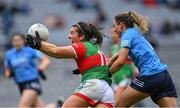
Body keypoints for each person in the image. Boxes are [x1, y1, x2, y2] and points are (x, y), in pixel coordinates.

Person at [26, 21, 114, 107]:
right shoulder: (94, 48)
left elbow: (56, 52)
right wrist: (85, 68)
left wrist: (38, 44)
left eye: (72, 33)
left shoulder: (82, 46)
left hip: (93, 85)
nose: (69, 36)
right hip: (107, 90)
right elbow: (105, 61)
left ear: (82, 36)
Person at [108, 11, 177, 107]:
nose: (114, 30)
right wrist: (109, 62)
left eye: (114, 25)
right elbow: (118, 55)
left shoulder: (127, 34)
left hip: (150, 76)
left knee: (119, 106)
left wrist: (107, 74)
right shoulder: (135, 35)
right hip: (163, 75)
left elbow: (120, 62)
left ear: (121, 25)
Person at [4, 34, 49, 107]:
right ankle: (57, 106)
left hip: (32, 82)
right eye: (14, 41)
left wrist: (40, 68)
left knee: (23, 106)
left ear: (23, 41)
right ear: (12, 42)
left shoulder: (30, 50)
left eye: (19, 40)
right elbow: (7, 69)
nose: (17, 43)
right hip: (21, 85)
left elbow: (45, 60)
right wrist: (8, 74)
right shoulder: (9, 54)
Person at [108, 27, 134, 99]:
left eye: (113, 33)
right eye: (111, 33)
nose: (112, 36)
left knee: (117, 100)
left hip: (125, 76)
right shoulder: (112, 47)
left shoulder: (126, 46)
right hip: (115, 78)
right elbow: (110, 62)